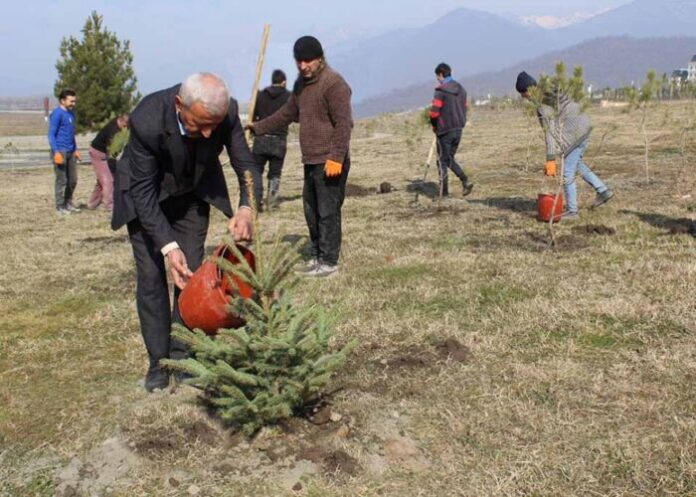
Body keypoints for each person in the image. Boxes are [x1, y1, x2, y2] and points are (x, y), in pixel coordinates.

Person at [111, 73, 261, 392]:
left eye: (214, 125)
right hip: (145, 197)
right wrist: (168, 245)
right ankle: (159, 363)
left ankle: (182, 356)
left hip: (192, 195)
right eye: (201, 124)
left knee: (191, 276)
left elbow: (245, 163)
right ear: (180, 105)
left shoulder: (226, 113)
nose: (208, 133)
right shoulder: (148, 119)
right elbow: (143, 193)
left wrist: (247, 208)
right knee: (151, 278)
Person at [247, 36, 352, 278]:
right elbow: (286, 114)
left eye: (308, 61)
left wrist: (336, 156)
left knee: (328, 212)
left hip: (330, 161)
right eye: (299, 61)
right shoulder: (301, 85)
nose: (303, 66)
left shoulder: (334, 84)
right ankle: (316, 256)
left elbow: (344, 124)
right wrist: (258, 127)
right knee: (311, 210)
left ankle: (329, 262)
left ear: (320, 58)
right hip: (310, 159)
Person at [516, 71, 614, 219]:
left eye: (524, 95)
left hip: (574, 132)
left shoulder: (543, 104)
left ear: (527, 91)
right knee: (577, 164)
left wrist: (550, 159)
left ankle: (572, 211)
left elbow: (550, 133)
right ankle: (603, 190)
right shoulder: (549, 92)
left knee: (567, 174)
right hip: (583, 126)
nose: (525, 98)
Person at [429, 63, 473, 198]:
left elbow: (434, 113)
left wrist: (434, 126)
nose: (437, 80)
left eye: (438, 77)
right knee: (448, 159)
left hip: (444, 130)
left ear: (441, 75)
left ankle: (444, 194)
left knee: (442, 161)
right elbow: (465, 108)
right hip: (458, 129)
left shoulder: (440, 91)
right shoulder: (462, 90)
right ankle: (465, 180)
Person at [252, 69, 291, 210]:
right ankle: (272, 202)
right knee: (275, 173)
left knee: (256, 171)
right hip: (279, 140)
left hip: (261, 138)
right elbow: (296, 116)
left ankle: (255, 200)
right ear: (284, 82)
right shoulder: (289, 97)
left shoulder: (260, 96)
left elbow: (253, 116)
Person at [48, 89, 81, 215]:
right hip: (60, 151)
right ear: (62, 100)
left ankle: (68, 202)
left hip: (70, 151)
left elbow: (71, 134)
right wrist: (56, 152)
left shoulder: (71, 114)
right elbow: (51, 134)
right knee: (61, 180)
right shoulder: (57, 114)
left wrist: (75, 149)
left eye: (74, 101)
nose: (73, 103)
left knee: (73, 179)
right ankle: (60, 206)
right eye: (71, 101)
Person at [88, 113, 130, 211]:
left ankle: (92, 204)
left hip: (105, 153)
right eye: (125, 125)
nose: (125, 128)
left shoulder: (118, 123)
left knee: (101, 181)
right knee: (108, 179)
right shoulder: (112, 131)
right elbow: (111, 152)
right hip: (98, 153)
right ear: (121, 121)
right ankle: (109, 206)